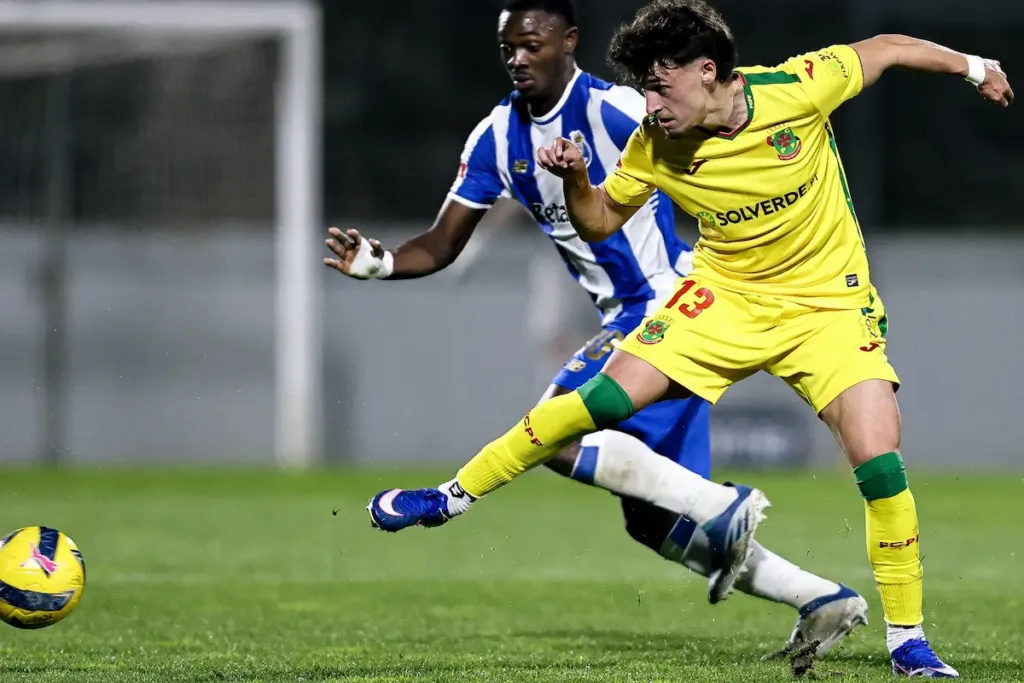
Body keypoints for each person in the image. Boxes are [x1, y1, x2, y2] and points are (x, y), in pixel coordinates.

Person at [363, 0, 1014, 677]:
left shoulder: (797, 88)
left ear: (709, 71)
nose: (650, 100)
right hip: (722, 303)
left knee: (880, 462)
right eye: (643, 85)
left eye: (660, 83)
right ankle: (451, 495)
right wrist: (577, 178)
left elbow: (885, 48)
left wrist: (972, 65)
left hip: (826, 310)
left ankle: (907, 641)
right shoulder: (653, 139)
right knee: (598, 402)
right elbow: (601, 219)